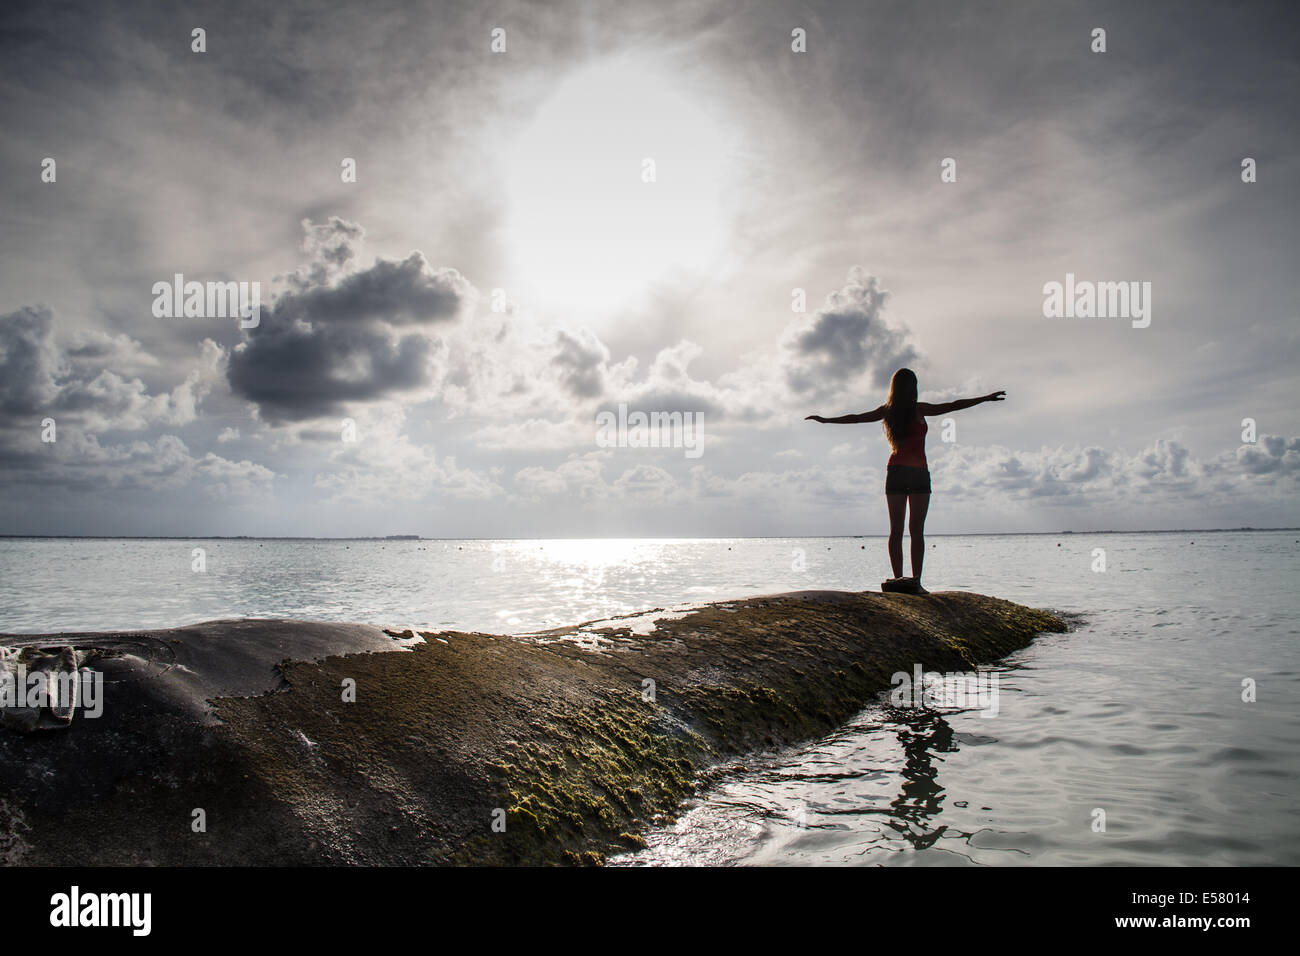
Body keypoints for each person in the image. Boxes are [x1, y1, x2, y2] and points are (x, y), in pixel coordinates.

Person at [806, 368, 1005, 591]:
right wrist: (985, 398)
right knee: (916, 530)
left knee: (897, 530)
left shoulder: (887, 411)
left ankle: (900, 578)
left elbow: (856, 419)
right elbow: (954, 405)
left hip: (897, 472)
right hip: (918, 473)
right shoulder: (918, 409)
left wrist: (825, 420)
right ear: (913, 388)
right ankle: (915, 581)